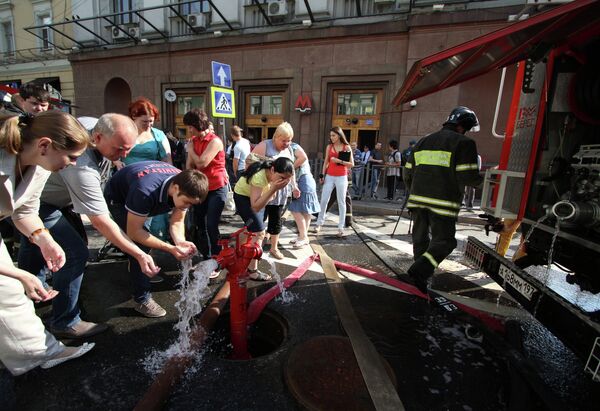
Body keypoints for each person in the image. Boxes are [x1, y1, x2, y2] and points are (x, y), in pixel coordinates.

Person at [18, 114, 160, 338]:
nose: (123, 156)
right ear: (97, 137)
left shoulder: (91, 125)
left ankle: (28, 298)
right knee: (75, 254)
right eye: (119, 149)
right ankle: (65, 321)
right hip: (42, 204)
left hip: (49, 202)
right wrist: (139, 254)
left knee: (37, 247)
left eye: (127, 149)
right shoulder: (80, 166)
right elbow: (101, 221)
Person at [0, 111, 95, 375]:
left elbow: (25, 211)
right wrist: (20, 274)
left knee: (8, 295)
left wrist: (44, 239)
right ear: (45, 145)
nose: (75, 164)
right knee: (9, 286)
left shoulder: (41, 164)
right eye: (72, 157)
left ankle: (39, 353)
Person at [104, 161, 208, 317]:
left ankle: (140, 270)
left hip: (142, 191)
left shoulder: (185, 185)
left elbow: (177, 221)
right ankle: (142, 299)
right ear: (175, 188)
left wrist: (179, 242)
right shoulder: (145, 191)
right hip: (119, 197)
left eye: (192, 204)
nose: (188, 206)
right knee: (140, 245)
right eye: (187, 202)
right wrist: (170, 248)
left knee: (146, 236)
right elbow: (135, 232)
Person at [403, 106, 483, 293]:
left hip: (417, 201)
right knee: (445, 242)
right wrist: (491, 183)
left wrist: (413, 193)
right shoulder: (465, 143)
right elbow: (468, 177)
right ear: (463, 127)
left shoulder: (423, 141)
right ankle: (419, 270)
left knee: (420, 239)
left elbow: (407, 172)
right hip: (443, 204)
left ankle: (421, 277)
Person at [114, 98, 172, 241]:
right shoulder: (123, 132)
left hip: (153, 184)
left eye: (151, 121)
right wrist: (116, 162)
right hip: (129, 183)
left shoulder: (158, 135)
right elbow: (110, 152)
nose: (148, 125)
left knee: (156, 225)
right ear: (134, 117)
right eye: (144, 121)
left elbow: (167, 160)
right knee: (133, 223)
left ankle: (155, 254)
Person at [233, 157, 294, 279]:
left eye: (288, 179)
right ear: (272, 170)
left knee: (256, 231)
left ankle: (236, 246)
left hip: (256, 197)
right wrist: (273, 189)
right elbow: (255, 207)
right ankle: (252, 270)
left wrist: (273, 190)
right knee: (259, 232)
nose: (284, 181)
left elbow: (267, 199)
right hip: (243, 197)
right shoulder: (259, 177)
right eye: (282, 178)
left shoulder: (272, 173)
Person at [184, 108, 228, 276]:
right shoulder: (193, 141)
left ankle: (217, 261)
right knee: (200, 224)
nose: (189, 130)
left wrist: (191, 151)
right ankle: (207, 257)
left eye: (190, 127)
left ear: (197, 125)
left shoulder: (215, 141)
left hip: (217, 188)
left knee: (211, 225)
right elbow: (190, 166)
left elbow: (201, 163)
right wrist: (192, 153)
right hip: (201, 189)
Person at [250, 122, 299, 260]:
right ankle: (254, 249)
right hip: (264, 191)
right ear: (276, 137)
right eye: (284, 140)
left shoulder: (288, 150)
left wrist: (294, 186)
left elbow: (291, 170)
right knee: (259, 222)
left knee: (276, 221)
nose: (287, 143)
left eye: (289, 140)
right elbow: (249, 163)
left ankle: (274, 248)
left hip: (281, 193)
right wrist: (267, 164)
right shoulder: (264, 146)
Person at [314, 127, 354, 237]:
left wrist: (339, 161)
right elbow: (326, 161)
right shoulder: (329, 147)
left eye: (334, 135)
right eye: (330, 135)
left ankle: (340, 227)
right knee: (323, 200)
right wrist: (322, 174)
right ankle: (319, 223)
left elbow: (352, 164)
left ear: (339, 136)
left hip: (342, 177)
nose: (331, 138)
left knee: (341, 202)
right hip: (330, 176)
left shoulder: (347, 147)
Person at [288, 142, 320, 248]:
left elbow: (303, 157)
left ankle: (303, 237)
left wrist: (289, 168)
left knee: (295, 210)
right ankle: (303, 236)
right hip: (306, 180)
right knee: (305, 212)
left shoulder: (293, 147)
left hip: (303, 180)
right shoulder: (293, 147)